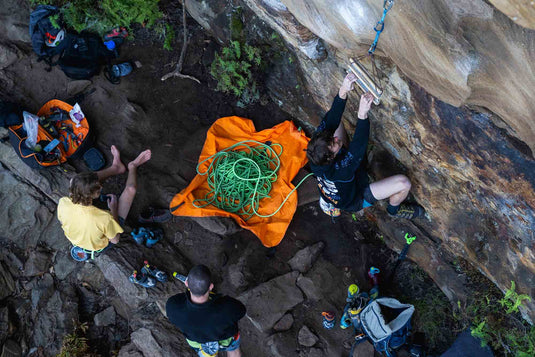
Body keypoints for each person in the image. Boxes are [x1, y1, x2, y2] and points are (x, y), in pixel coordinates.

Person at [306, 73, 424, 219]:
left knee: (336, 125)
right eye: (334, 144)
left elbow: (332, 119)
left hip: (340, 180)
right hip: (356, 196)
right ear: (331, 157)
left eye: (332, 140)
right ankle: (394, 210)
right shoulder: (340, 172)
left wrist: (344, 89)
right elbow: (358, 149)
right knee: (403, 183)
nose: (335, 139)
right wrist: (362, 114)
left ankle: (328, 199)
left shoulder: (315, 151)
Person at [57, 145, 151, 259]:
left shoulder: (63, 203)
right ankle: (133, 166)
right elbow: (115, 240)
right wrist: (113, 210)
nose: (101, 187)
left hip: (79, 237)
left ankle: (116, 168)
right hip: (97, 244)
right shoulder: (104, 218)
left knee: (82, 182)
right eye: (99, 189)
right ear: (94, 195)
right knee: (131, 190)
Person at [166, 265, 246, 357]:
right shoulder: (228, 307)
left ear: (187, 283)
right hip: (226, 338)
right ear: (211, 286)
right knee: (233, 351)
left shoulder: (173, 306)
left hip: (197, 341)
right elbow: (241, 311)